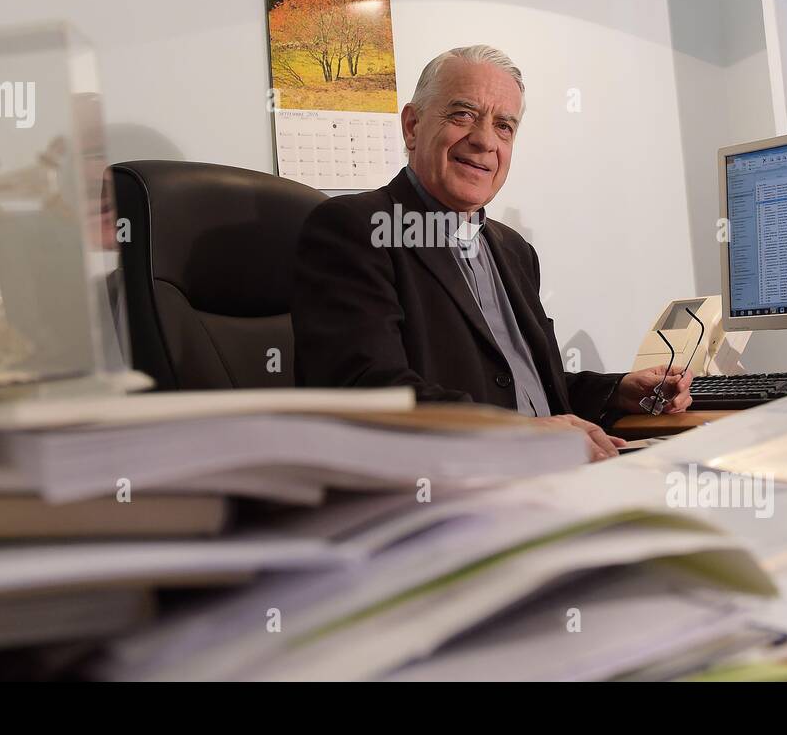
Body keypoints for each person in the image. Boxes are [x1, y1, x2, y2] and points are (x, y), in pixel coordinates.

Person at [292, 45, 693, 461]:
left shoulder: (513, 249)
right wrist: (519, 435)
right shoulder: (355, 228)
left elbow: (526, 386)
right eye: (462, 114)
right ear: (412, 126)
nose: (484, 141)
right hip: (443, 492)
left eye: (504, 126)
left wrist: (616, 390)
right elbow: (367, 391)